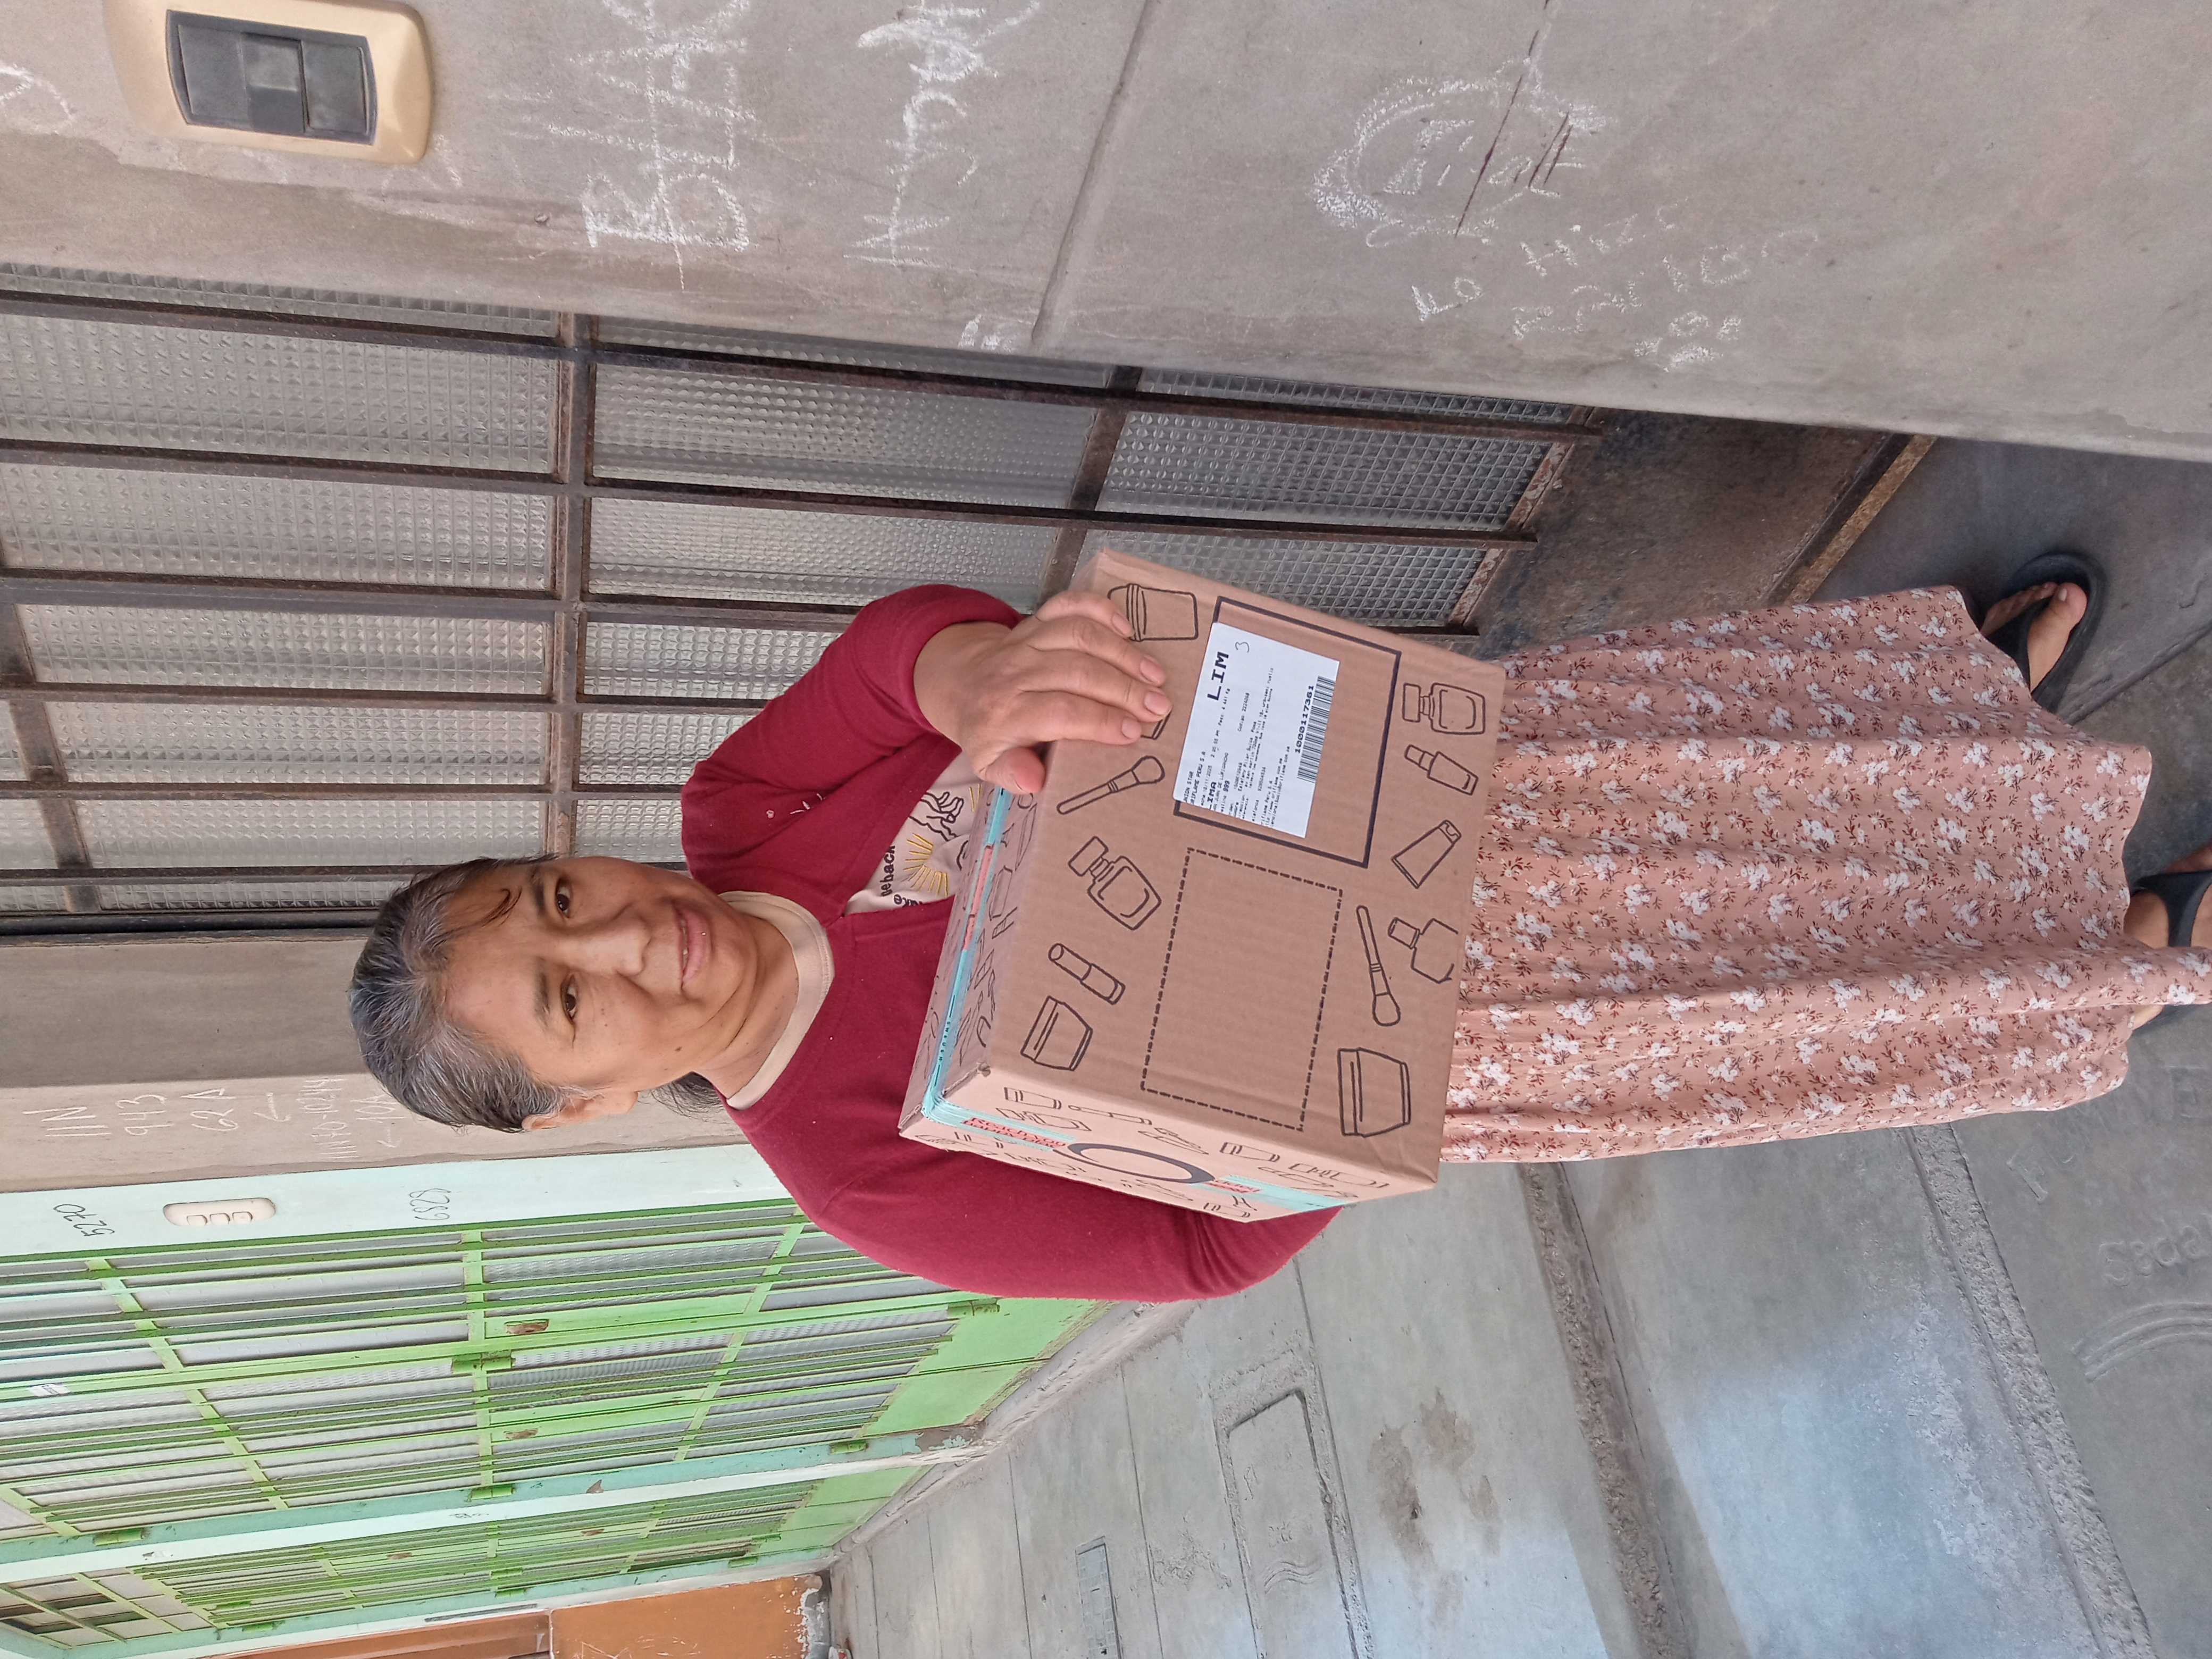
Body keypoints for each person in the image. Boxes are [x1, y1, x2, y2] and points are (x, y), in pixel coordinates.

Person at [351, 565, 2210, 1300]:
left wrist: (969, 671)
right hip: (1475, 1010)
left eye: (560, 900)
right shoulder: (858, 1175)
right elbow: (1190, 1251)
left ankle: (1957, 706)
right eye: (570, 1002)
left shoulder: (744, 812)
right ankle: (2104, 942)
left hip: (1427, 795)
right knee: (1774, 966)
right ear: (586, 1103)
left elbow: (906, 644)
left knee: (1720, 760)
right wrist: (1294, 1074)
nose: (625, 942)